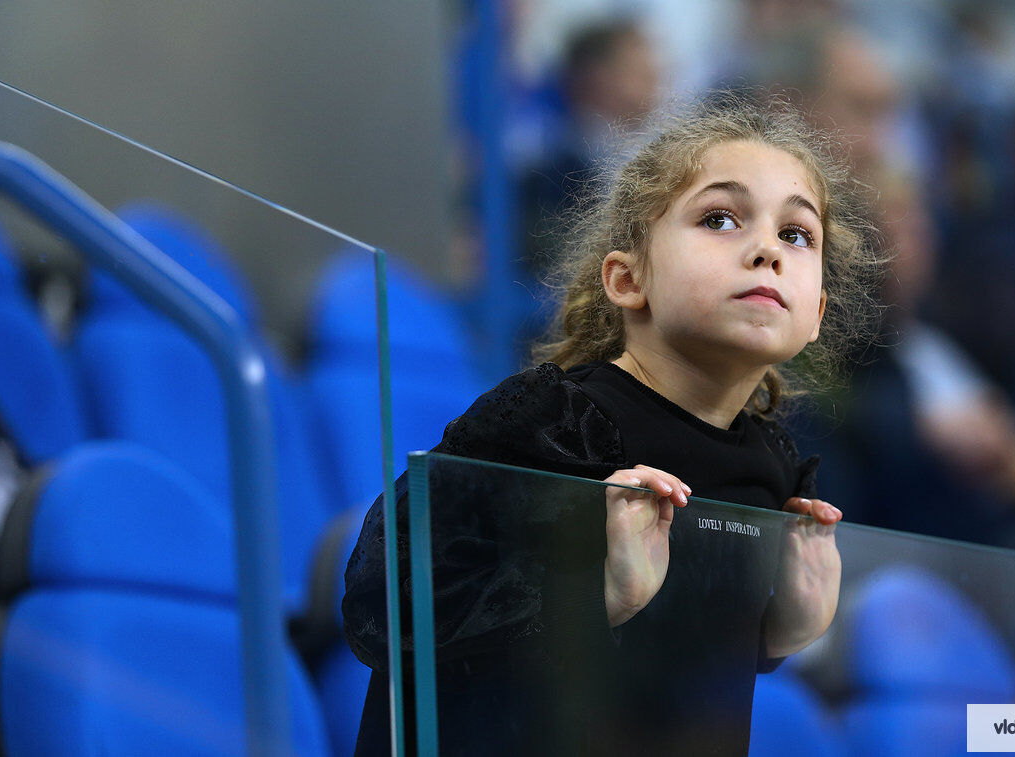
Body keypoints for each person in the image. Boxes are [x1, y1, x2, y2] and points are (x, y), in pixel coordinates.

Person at [343, 92, 883, 755]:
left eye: (796, 234)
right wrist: (591, 593)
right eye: (719, 218)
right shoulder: (555, 421)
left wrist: (778, 632)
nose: (768, 249)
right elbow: (382, 599)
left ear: (817, 313)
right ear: (628, 280)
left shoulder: (772, 463)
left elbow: (666, 676)